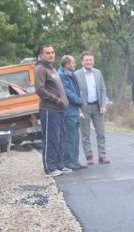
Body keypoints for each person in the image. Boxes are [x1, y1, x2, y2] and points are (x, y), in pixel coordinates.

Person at [34, 44, 72, 177]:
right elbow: (39, 89)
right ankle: (50, 168)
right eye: (48, 53)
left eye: (52, 52)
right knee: (51, 138)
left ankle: (59, 165)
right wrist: (56, 100)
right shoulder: (40, 69)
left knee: (60, 138)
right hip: (49, 110)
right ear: (41, 55)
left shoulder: (52, 69)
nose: (51, 55)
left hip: (59, 110)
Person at [74, 51, 111, 165]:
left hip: (97, 106)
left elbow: (103, 89)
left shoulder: (98, 73)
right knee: (85, 134)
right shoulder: (76, 75)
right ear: (82, 62)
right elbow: (74, 93)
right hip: (84, 107)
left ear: (93, 61)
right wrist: (78, 110)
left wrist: (103, 105)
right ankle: (89, 156)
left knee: (101, 132)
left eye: (91, 60)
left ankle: (102, 155)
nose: (89, 62)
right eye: (86, 60)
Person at [58, 55, 87, 171]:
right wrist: (80, 101)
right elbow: (67, 92)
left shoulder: (71, 74)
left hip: (74, 110)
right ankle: (69, 162)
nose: (74, 65)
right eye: (73, 63)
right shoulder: (62, 76)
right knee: (69, 138)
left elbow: (77, 90)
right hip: (68, 111)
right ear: (67, 64)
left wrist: (79, 101)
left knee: (75, 138)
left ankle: (75, 161)